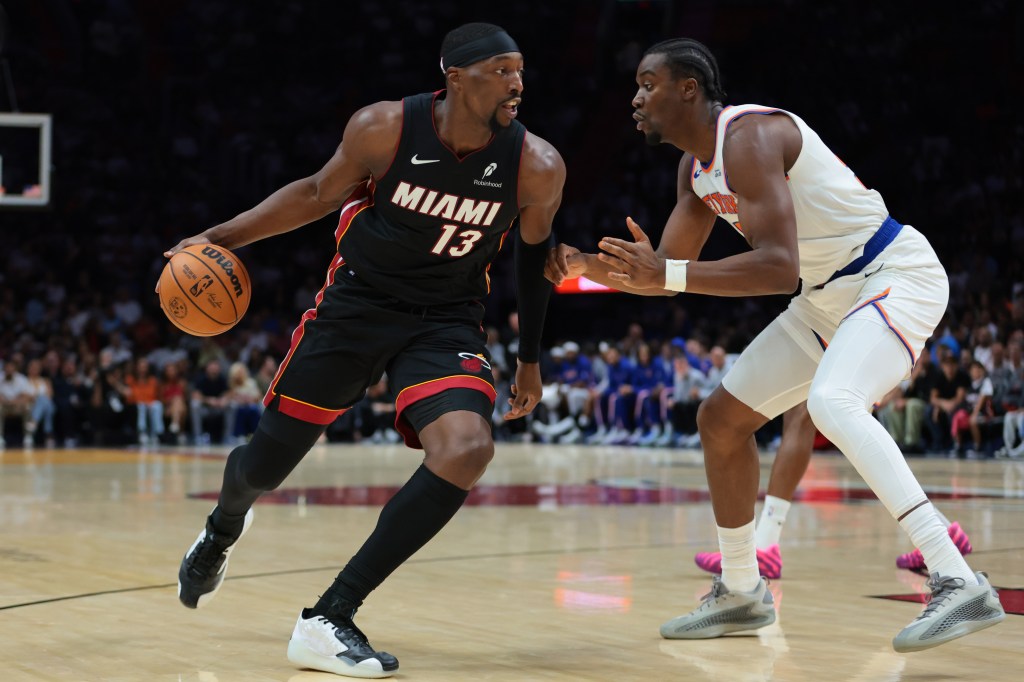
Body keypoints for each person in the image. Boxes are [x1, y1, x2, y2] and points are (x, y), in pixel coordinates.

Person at [545, 37, 1004, 651]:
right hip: (826, 296)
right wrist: (576, 263)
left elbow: (777, 267)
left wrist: (666, 274)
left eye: (647, 83)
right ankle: (740, 591)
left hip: (892, 274)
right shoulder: (694, 169)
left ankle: (956, 577)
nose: (635, 98)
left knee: (833, 402)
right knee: (720, 419)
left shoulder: (750, 137)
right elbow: (666, 271)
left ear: (689, 89)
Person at [167, 23, 564, 679]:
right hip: (355, 306)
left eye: (521, 70)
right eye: (502, 70)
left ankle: (330, 615)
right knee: (264, 466)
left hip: (446, 321)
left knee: (468, 447)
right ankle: (223, 524)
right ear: (456, 77)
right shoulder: (384, 128)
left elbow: (532, 258)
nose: (518, 83)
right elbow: (317, 195)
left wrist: (529, 357)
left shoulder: (537, 165)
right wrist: (218, 237)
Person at [692, 402, 974, 579]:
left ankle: (765, 544)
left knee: (810, 411)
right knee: (817, 415)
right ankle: (941, 532)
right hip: (859, 318)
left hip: (857, 317)